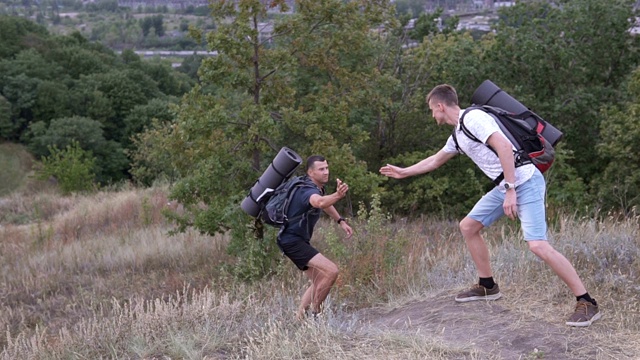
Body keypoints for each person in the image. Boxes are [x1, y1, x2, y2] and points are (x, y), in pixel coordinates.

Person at [379, 84, 601, 327]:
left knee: (537, 245)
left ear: (441, 106)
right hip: (505, 184)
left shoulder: (474, 118)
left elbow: (504, 147)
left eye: (432, 110)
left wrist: (510, 190)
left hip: (523, 180)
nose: (433, 115)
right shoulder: (458, 134)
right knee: (468, 226)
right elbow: (435, 160)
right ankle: (487, 286)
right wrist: (404, 172)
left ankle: (587, 301)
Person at [277, 155, 353, 320]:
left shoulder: (315, 186)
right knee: (331, 271)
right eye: (321, 169)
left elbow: (325, 204)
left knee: (319, 279)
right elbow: (319, 202)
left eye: (327, 168)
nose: (326, 172)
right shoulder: (307, 190)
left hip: (296, 240)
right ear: (310, 172)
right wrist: (338, 195)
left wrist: (340, 221)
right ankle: (316, 313)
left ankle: (300, 319)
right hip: (292, 241)